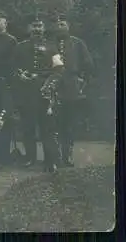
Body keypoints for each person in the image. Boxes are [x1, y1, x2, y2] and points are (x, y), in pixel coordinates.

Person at [11, 18, 58, 168]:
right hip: (26, 92)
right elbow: (13, 67)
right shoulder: (20, 46)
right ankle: (30, 158)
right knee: (28, 126)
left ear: (44, 28)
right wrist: (20, 75)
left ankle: (50, 160)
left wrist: (49, 84)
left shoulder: (52, 47)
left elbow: (58, 69)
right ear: (28, 27)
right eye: (34, 25)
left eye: (40, 26)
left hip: (44, 91)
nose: (37, 29)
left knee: (47, 127)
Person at [49, 18, 94, 167]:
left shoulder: (78, 43)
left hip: (72, 87)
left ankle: (67, 155)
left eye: (63, 24)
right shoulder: (49, 43)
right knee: (54, 124)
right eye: (57, 25)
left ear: (69, 27)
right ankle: (55, 157)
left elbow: (88, 64)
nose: (60, 27)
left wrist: (82, 81)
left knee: (69, 123)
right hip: (52, 85)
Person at [40, 53, 66, 173]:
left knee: (50, 135)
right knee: (52, 135)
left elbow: (46, 91)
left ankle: (52, 162)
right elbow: (47, 91)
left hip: (53, 108)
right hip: (54, 109)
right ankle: (53, 162)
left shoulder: (54, 78)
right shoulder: (56, 77)